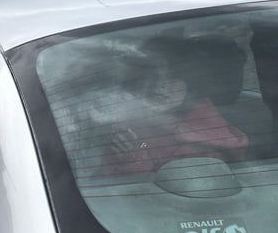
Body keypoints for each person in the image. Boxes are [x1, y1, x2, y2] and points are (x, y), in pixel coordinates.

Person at [104, 37, 248, 175]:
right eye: (153, 75)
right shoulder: (129, 125)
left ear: (192, 83)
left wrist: (134, 158)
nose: (160, 85)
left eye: (172, 76)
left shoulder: (204, 143)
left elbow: (156, 195)